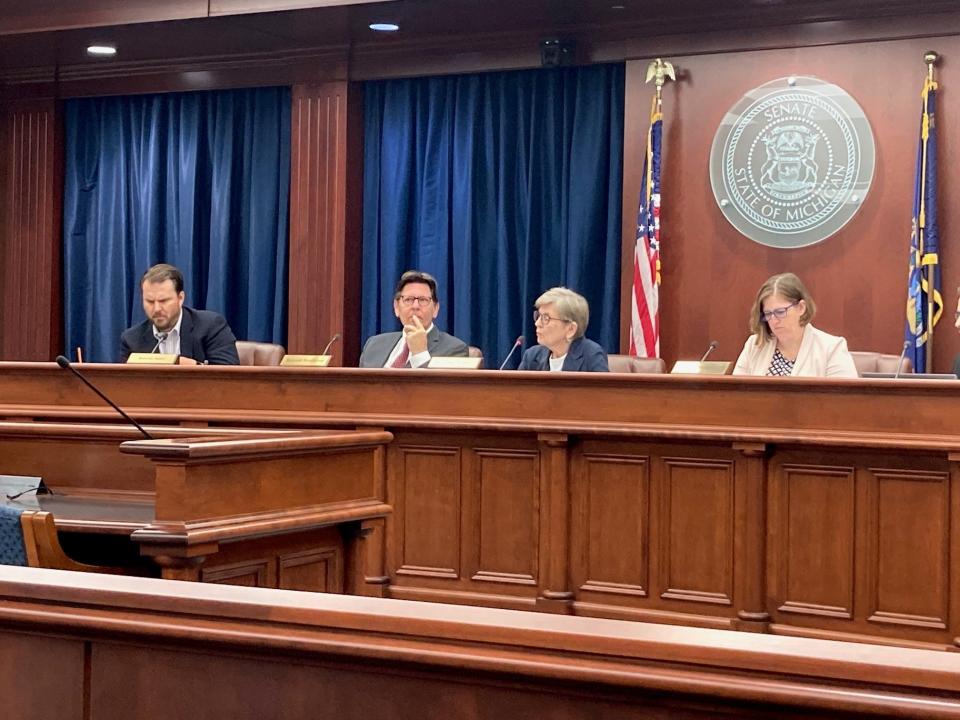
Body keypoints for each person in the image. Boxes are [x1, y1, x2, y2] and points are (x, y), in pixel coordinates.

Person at [733, 272, 857, 378]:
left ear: (801, 308)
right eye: (768, 314)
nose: (774, 320)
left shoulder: (831, 348)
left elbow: (845, 402)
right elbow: (736, 397)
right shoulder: (754, 345)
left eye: (780, 312)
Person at [120, 263, 240, 365]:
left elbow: (230, 376)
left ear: (180, 298)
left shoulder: (210, 326)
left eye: (164, 301)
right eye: (150, 301)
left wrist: (195, 366)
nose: (156, 309)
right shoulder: (132, 339)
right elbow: (125, 385)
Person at [359, 270, 468, 368]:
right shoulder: (373, 345)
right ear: (396, 307)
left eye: (423, 300)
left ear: (435, 309)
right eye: (408, 300)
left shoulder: (455, 349)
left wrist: (420, 353)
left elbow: (439, 389)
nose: (415, 306)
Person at [518, 287, 608, 372]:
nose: (537, 323)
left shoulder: (591, 356)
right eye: (538, 316)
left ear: (571, 329)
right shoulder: (532, 356)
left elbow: (604, 388)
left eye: (546, 318)